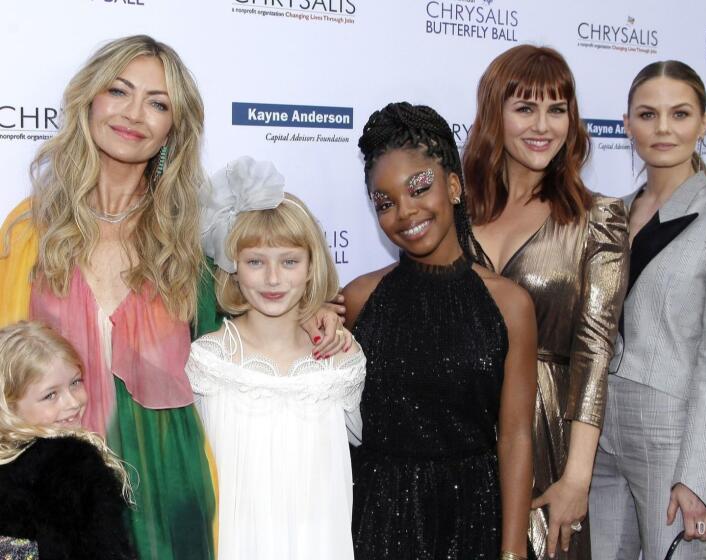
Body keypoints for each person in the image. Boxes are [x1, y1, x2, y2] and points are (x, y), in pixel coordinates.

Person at [0, 35, 219, 559]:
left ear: (173, 128)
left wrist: (314, 317)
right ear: (89, 101)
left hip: (170, 489)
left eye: (158, 103)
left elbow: (241, 348)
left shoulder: (193, 245)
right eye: (119, 91)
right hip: (53, 496)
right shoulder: (29, 231)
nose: (134, 113)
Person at [587, 60, 706, 559]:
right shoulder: (608, 214)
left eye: (680, 113)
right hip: (597, 431)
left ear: (705, 122)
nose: (663, 128)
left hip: (672, 432)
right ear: (626, 125)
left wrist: (701, 477)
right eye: (647, 114)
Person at [344, 102, 537, 560]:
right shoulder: (356, 300)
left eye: (418, 188)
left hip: (473, 518)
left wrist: (512, 552)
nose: (405, 212)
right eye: (385, 203)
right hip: (378, 520)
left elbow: (515, 437)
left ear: (452, 185)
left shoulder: (510, 305)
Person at [461, 45, 629, 559]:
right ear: (495, 114)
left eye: (557, 109)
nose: (543, 125)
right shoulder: (454, 213)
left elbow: (594, 354)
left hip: (544, 431)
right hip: (460, 426)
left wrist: (577, 477)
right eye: (525, 108)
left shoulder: (597, 219)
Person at [186, 157, 365, 559]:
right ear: (232, 269)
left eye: (289, 261)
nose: (272, 279)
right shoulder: (206, 362)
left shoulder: (340, 361)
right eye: (255, 262)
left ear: (310, 266)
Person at [0, 321, 133, 559]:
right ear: (9, 407)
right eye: (50, 395)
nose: (72, 402)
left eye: (75, 382)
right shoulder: (74, 465)